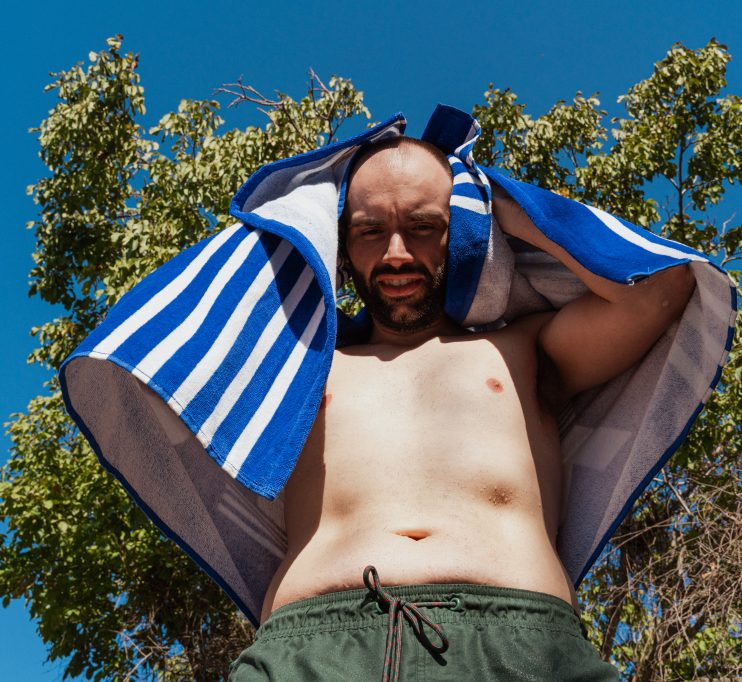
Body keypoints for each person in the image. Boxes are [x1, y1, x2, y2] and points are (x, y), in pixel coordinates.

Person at [229, 136, 696, 680]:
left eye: (423, 226)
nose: (396, 253)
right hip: (313, 648)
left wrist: (504, 206)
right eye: (370, 231)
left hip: (519, 645)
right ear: (342, 248)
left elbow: (662, 288)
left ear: (464, 231)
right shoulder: (300, 365)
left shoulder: (521, 350)